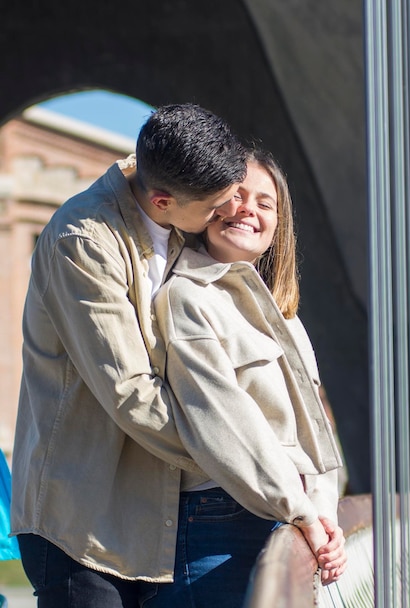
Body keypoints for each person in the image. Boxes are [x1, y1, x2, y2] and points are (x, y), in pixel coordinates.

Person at [11, 103, 249, 607]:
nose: (224, 216)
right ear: (162, 201)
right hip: (82, 525)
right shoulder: (84, 239)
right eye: (213, 209)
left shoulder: (173, 209)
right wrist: (243, 464)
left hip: (150, 515)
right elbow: (132, 392)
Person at [149, 147, 347, 607]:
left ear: (280, 224)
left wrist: (323, 509)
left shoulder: (285, 317)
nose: (247, 210)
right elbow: (227, 423)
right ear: (207, 207)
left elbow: (315, 425)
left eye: (265, 202)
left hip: (286, 518)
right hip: (216, 524)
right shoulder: (186, 297)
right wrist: (303, 513)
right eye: (235, 196)